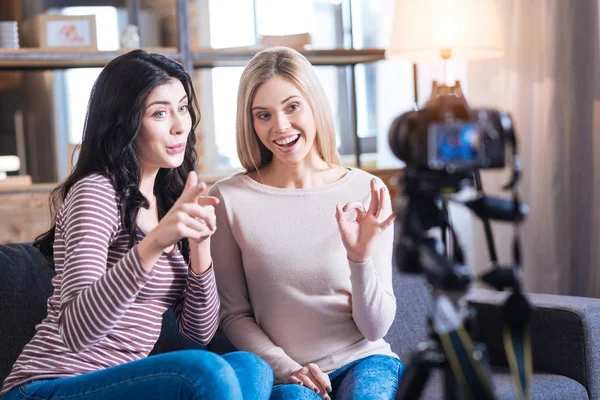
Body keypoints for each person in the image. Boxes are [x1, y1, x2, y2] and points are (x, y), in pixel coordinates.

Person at [0, 50, 273, 400]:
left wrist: (201, 244)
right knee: (206, 372)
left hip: (122, 383)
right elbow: (76, 329)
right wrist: (155, 242)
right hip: (49, 385)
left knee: (250, 366)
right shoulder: (97, 191)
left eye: (183, 107)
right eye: (160, 112)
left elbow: (198, 332)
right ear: (125, 122)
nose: (179, 125)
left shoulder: (168, 198)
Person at [208, 46, 403, 400]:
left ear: (314, 104)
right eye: (263, 115)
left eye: (292, 106)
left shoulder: (366, 190)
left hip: (364, 359)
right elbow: (234, 314)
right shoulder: (228, 199)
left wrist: (358, 260)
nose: (280, 126)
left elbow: (375, 329)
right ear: (250, 123)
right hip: (289, 372)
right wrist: (286, 368)